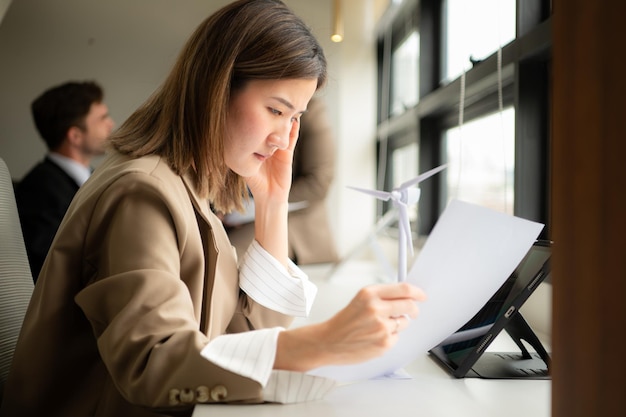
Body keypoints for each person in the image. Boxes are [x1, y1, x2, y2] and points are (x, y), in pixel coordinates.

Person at [0, 1, 426, 416]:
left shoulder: (187, 188)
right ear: (215, 89)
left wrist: (273, 204)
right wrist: (322, 343)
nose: (283, 137)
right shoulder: (142, 192)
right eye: (275, 110)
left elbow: (240, 335)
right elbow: (153, 362)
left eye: (295, 117)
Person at [14, 80, 114, 281]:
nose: (110, 123)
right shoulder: (37, 191)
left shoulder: (100, 179)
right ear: (75, 135)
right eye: (102, 118)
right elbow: (56, 271)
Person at [225, 96, 340, 264]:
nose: (282, 141)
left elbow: (319, 183)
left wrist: (244, 209)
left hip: (293, 220)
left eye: (294, 118)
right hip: (231, 215)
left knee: (230, 261)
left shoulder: (313, 112)